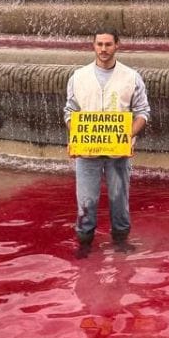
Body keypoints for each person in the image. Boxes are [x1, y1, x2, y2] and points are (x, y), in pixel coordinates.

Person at [64, 29, 150, 258]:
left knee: (119, 200)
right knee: (86, 201)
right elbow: (70, 111)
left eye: (108, 44)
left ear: (117, 45)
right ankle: (84, 244)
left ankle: (121, 242)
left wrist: (128, 136)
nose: (103, 49)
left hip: (118, 153)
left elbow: (142, 111)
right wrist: (76, 136)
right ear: (93, 45)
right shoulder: (78, 77)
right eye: (99, 44)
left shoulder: (131, 77)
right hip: (87, 152)